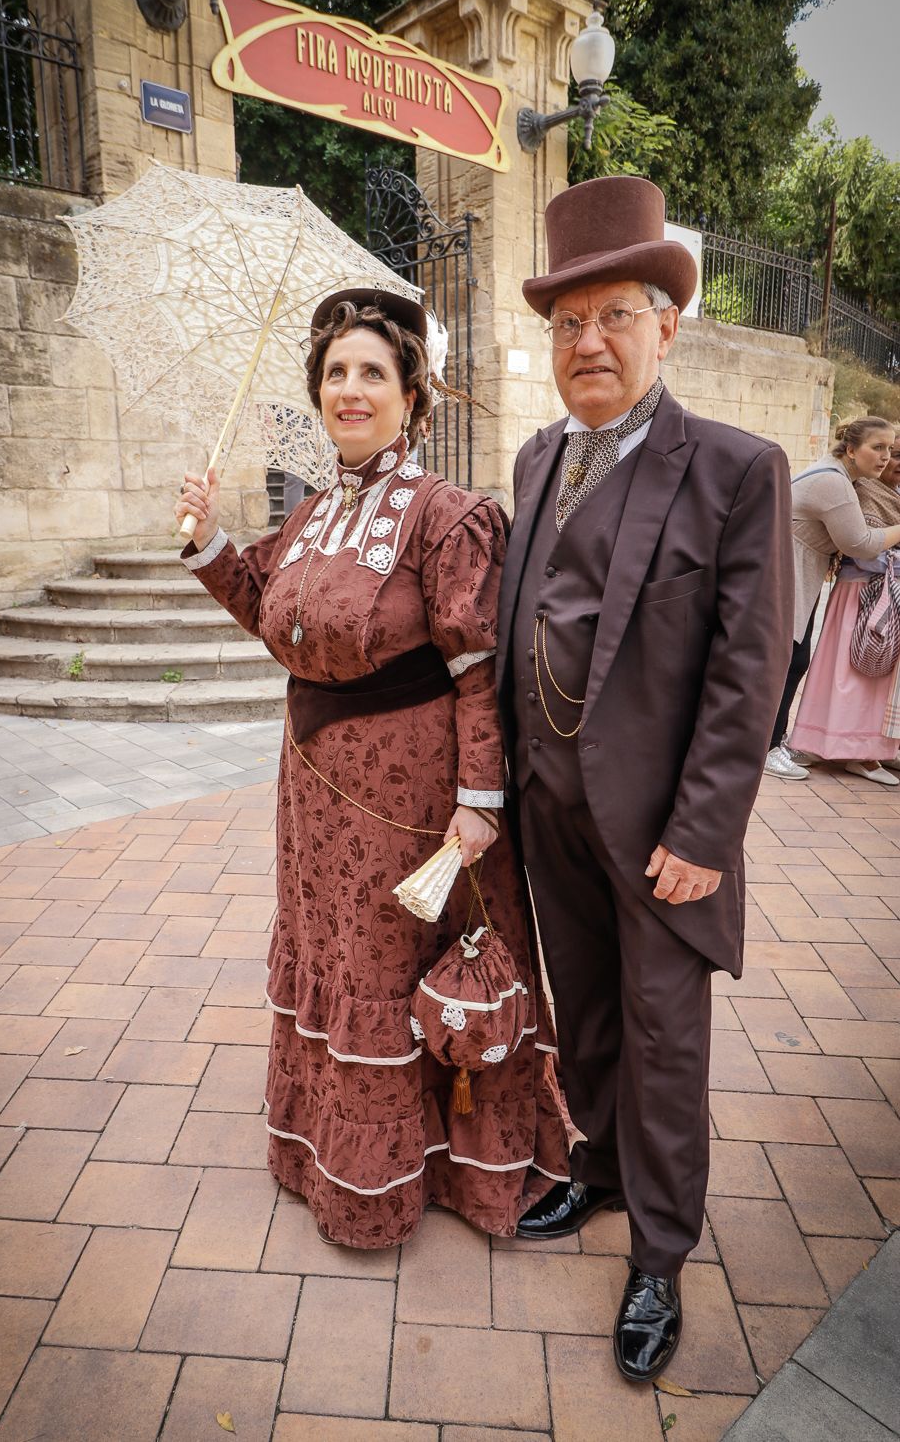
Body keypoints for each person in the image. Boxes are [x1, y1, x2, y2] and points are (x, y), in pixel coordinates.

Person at [176, 288, 572, 1249]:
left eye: (372, 374)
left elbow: (480, 673)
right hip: (313, 799)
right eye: (335, 374)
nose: (349, 390)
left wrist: (480, 803)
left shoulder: (449, 517)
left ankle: (427, 1176)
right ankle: (330, 1154)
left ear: (411, 394)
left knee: (395, 970)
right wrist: (208, 543)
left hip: (415, 804)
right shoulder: (313, 513)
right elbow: (279, 617)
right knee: (335, 957)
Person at [495, 176, 793, 1382]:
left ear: (665, 325)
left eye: (614, 315)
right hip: (549, 806)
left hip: (664, 825)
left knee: (667, 1042)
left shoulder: (733, 468)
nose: (589, 343)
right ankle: (598, 1175)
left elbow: (749, 665)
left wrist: (707, 828)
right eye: (568, 323)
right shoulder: (531, 459)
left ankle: (661, 1256)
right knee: (590, 1015)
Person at [765, 417, 900, 780]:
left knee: (791, 658)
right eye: (878, 447)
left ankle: (770, 743)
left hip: (796, 566)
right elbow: (859, 543)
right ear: (852, 449)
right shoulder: (834, 483)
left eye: (889, 448)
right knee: (787, 660)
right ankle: (767, 747)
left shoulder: (842, 477)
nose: (886, 457)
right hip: (786, 567)